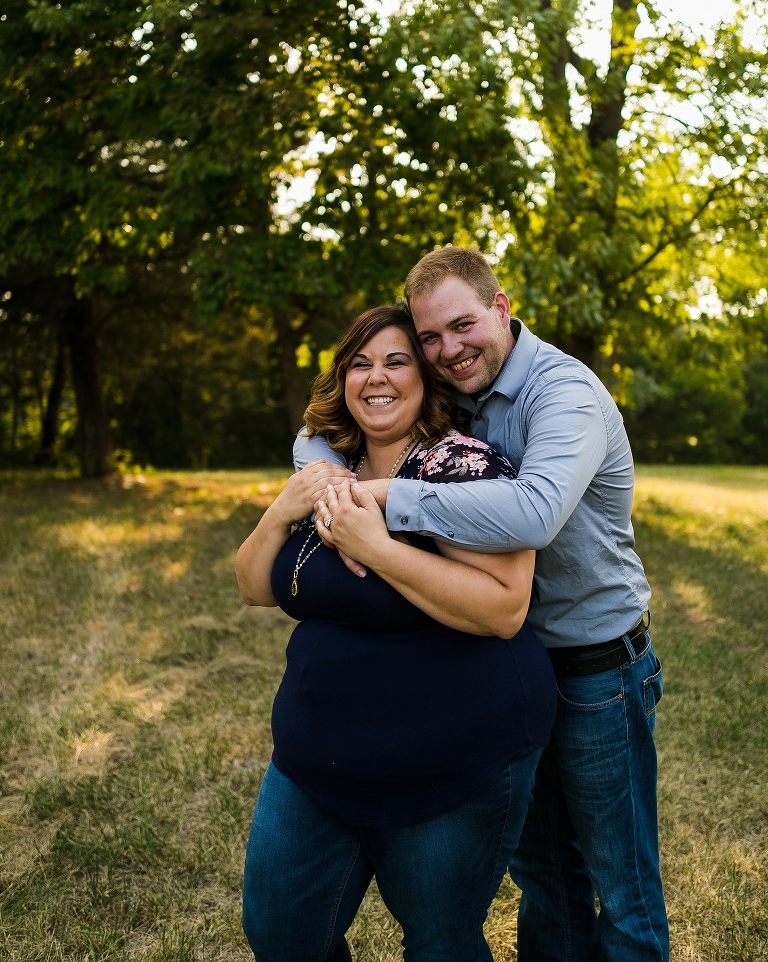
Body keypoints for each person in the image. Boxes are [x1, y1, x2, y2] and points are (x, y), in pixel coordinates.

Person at [296, 250, 669, 962]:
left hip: (596, 670)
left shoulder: (564, 393)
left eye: (462, 326)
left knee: (623, 893)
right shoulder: (457, 385)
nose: (447, 351)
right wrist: (326, 485)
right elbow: (321, 429)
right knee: (548, 882)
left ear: (502, 306)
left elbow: (532, 514)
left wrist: (376, 499)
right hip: (509, 670)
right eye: (430, 339)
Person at [237, 305, 557, 962]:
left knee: (440, 943)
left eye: (395, 361)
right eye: (359, 363)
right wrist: (283, 509)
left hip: (449, 760)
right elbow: (254, 585)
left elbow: (503, 609)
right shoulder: (331, 466)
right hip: (314, 753)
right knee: (280, 932)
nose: (375, 378)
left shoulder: (466, 467)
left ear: (428, 377)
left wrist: (375, 547)